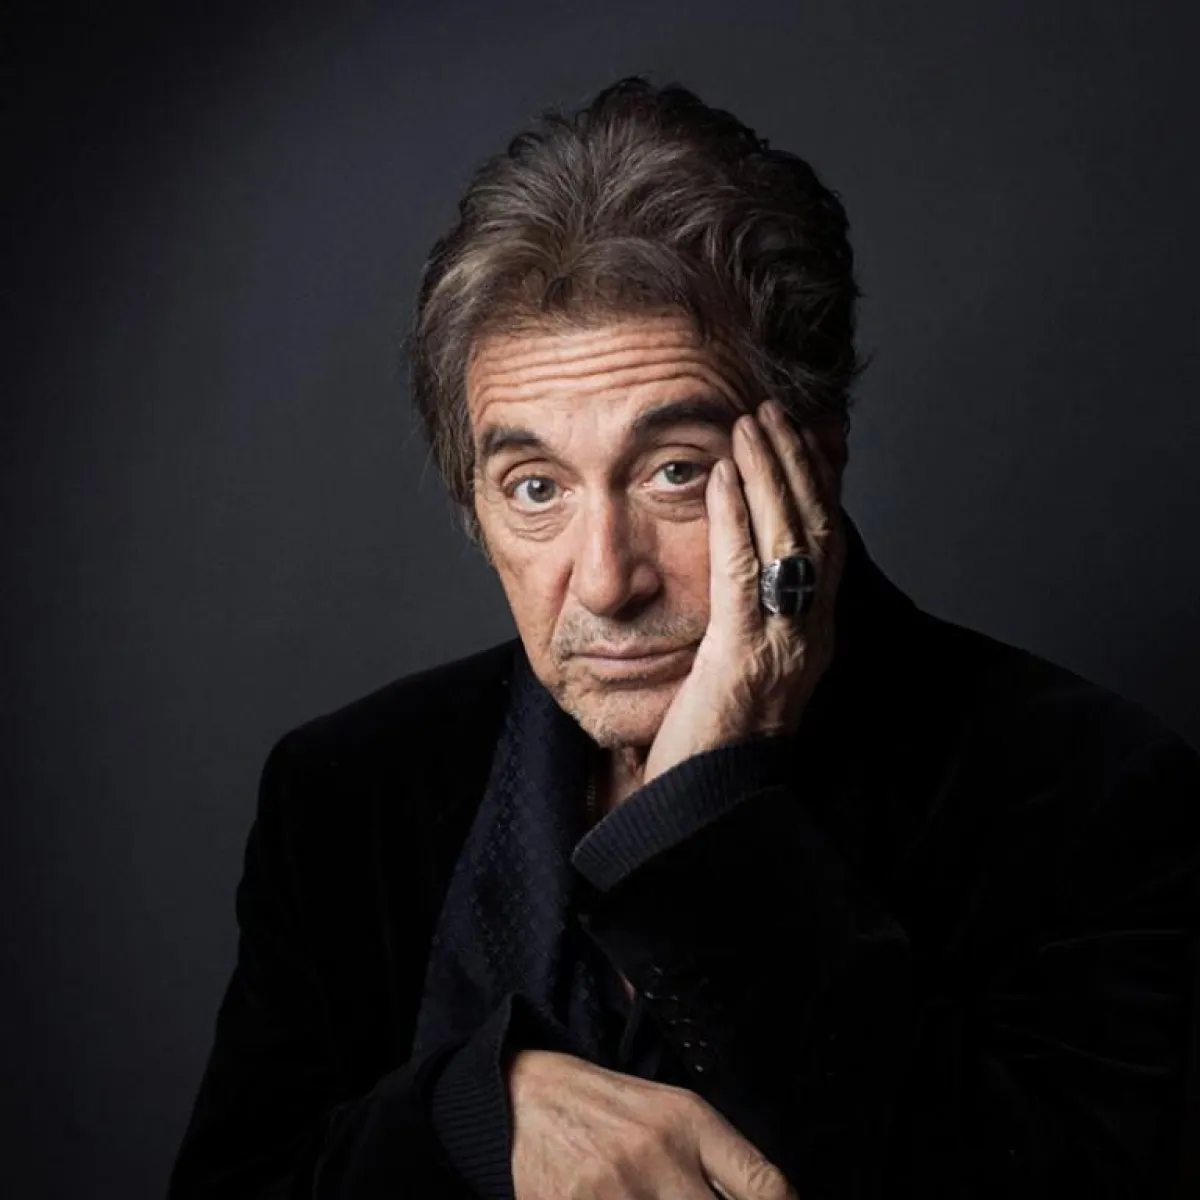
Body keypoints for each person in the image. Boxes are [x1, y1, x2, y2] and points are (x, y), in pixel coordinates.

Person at [167, 77, 1200, 1200]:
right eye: (535, 487)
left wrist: (708, 818)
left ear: (817, 458)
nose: (606, 581)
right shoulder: (348, 795)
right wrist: (475, 1114)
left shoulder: (1091, 794)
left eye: (674, 472)